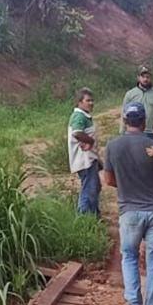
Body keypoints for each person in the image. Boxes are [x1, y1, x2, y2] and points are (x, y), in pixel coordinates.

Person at [103, 101, 153, 305]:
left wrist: (127, 186)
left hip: (130, 213)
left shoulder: (113, 146)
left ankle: (133, 303)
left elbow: (108, 180)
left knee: (130, 256)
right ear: (144, 121)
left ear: (125, 121)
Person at [67, 88, 101, 216]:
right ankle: (84, 218)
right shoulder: (79, 116)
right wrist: (90, 142)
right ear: (79, 102)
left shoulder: (84, 116)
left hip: (89, 159)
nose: (91, 103)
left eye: (92, 100)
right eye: (88, 100)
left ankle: (94, 214)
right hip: (84, 160)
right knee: (89, 190)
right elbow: (77, 132)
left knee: (95, 187)